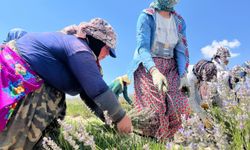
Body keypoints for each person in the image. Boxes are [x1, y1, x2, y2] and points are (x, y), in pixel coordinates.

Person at [0, 18, 132, 149]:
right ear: (98, 41)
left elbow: (89, 96)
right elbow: (97, 88)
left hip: (24, 76)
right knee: (14, 142)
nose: (108, 54)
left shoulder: (78, 49)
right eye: (108, 48)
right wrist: (120, 117)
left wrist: (111, 121)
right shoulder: (79, 48)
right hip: (23, 82)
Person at [127, 0, 190, 140]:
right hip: (148, 64)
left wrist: (183, 75)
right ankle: (151, 142)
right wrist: (154, 71)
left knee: (180, 106)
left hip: (172, 66)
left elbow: (180, 50)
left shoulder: (179, 21)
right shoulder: (147, 16)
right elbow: (142, 47)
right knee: (154, 111)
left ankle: (168, 139)